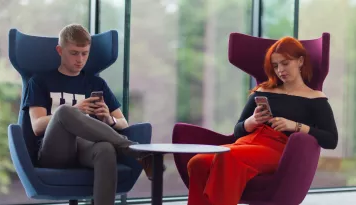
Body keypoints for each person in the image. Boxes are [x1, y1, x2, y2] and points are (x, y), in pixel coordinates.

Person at [186, 36, 338, 205]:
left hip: (280, 149)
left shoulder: (315, 98)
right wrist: (251, 121)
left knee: (227, 158)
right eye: (275, 65)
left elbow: (331, 140)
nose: (280, 70)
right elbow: (237, 131)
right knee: (198, 162)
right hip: (247, 142)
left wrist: (295, 126)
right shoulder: (263, 91)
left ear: (300, 61)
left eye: (285, 63)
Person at [23, 24, 157, 205]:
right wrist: (76, 110)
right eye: (74, 53)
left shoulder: (96, 84)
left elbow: (124, 124)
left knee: (106, 149)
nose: (80, 59)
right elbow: (37, 126)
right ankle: (134, 149)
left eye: (85, 53)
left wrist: (109, 119)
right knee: (64, 112)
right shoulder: (39, 81)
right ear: (60, 50)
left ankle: (132, 152)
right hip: (55, 152)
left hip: (86, 148)